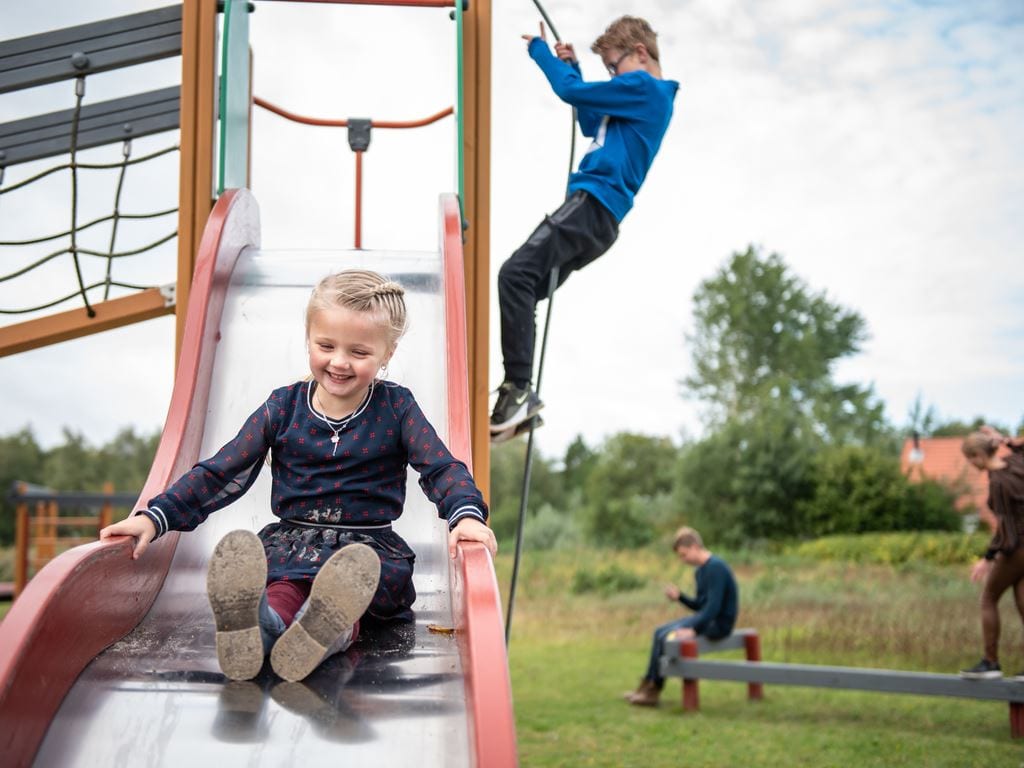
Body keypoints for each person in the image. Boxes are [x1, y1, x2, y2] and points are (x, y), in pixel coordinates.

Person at [101, 269, 497, 683]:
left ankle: (327, 632)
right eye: (326, 345)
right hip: (293, 544)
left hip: (366, 552)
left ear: (387, 353)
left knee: (350, 586)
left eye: (359, 352)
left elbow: (440, 466)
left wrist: (465, 514)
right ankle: (260, 631)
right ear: (308, 339)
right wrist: (155, 515)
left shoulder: (396, 407)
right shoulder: (284, 406)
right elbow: (223, 469)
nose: (339, 362)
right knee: (283, 589)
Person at [490, 15, 679, 440]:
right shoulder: (641, 98)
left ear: (641, 54)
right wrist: (573, 67)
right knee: (525, 288)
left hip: (592, 204)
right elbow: (590, 120)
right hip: (602, 220)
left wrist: (541, 54)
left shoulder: (646, 88)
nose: (612, 75)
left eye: (613, 66)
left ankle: (518, 389)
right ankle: (519, 394)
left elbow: (571, 94)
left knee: (514, 274)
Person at [624, 526, 738, 706]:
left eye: (683, 555)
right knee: (659, 632)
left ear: (694, 547)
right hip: (707, 619)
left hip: (719, 624)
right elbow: (700, 606)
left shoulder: (716, 567)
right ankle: (647, 684)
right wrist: (680, 598)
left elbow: (714, 609)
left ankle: (654, 691)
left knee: (666, 636)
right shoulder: (700, 571)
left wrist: (694, 629)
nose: (682, 560)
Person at [959, 426, 1024, 680]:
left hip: (1018, 549)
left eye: (970, 459)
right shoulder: (1017, 464)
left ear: (978, 455)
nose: (970, 465)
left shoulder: (998, 482)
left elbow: (1006, 531)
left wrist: (988, 559)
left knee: (988, 598)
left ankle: (990, 663)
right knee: (1022, 602)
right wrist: (1006, 440)